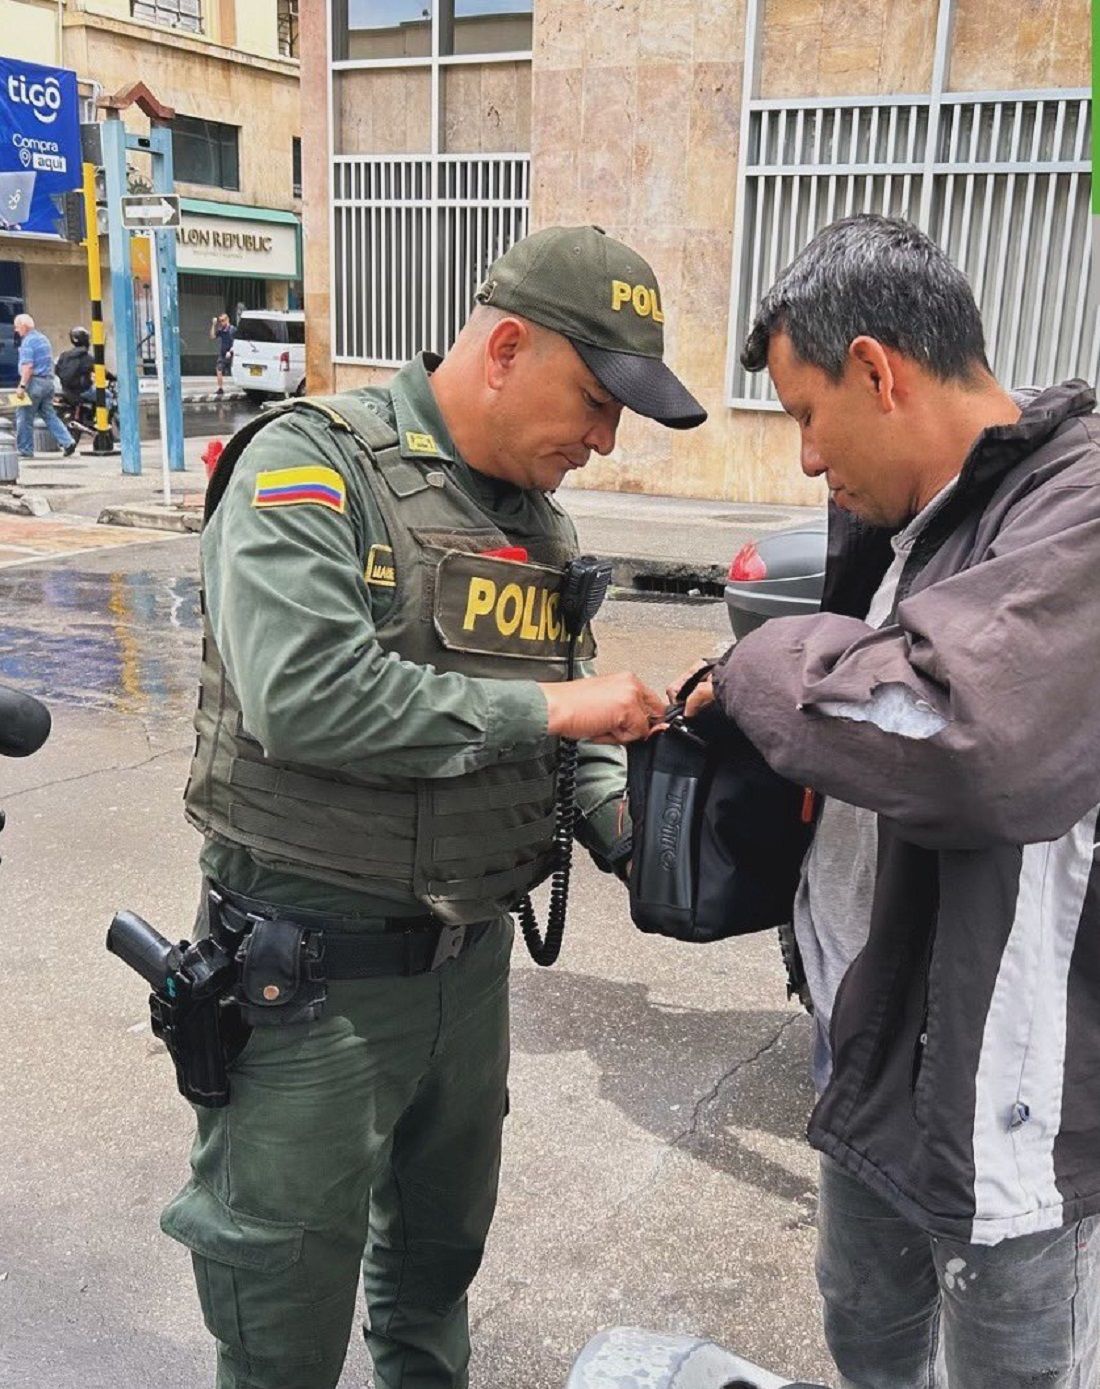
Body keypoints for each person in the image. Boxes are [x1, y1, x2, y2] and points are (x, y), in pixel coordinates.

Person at [162, 224, 706, 1389]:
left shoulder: (534, 522)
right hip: (308, 983)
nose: (605, 441)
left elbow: (570, 728)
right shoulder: (310, 466)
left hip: (466, 972)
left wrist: (642, 836)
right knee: (280, 1319)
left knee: (432, 1285)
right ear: (504, 349)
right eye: (595, 401)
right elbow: (305, 696)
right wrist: (558, 711)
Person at [687, 214, 1100, 1388]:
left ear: (875, 369)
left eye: (806, 415)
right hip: (868, 1048)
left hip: (1005, 1091)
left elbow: (965, 740)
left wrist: (756, 664)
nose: (806, 459)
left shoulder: (1076, 504)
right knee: (867, 1342)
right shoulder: (899, 523)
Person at [13, 313, 75, 459]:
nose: (16, 330)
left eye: (17, 327)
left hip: (34, 383)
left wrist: (22, 386)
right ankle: (68, 441)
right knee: (49, 414)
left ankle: (25, 449)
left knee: (24, 416)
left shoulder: (28, 342)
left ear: (24, 326)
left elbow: (28, 366)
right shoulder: (43, 339)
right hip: (48, 382)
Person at [210, 310, 235, 395]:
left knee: (235, 371)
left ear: (227, 320)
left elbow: (236, 342)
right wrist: (214, 325)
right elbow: (212, 336)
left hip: (232, 354)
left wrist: (230, 351)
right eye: (220, 321)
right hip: (223, 354)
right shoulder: (222, 330)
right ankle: (220, 388)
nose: (221, 323)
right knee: (219, 369)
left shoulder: (232, 330)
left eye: (223, 320)